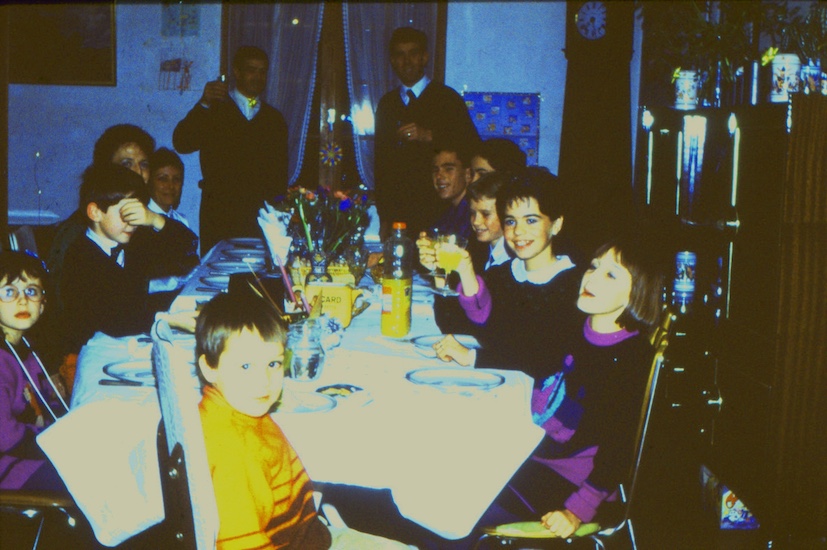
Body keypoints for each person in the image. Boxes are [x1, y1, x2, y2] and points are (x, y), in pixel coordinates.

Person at [195, 292, 413, 549]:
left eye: (273, 364)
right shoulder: (233, 451)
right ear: (209, 368)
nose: (263, 381)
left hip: (306, 537)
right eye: (246, 366)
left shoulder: (233, 410)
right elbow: (241, 543)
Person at [481, 236, 665, 539]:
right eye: (593, 266)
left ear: (637, 294)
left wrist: (577, 510)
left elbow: (619, 450)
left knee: (461, 500)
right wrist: (474, 357)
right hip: (533, 454)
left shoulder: (632, 360)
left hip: (573, 485)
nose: (591, 277)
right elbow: (526, 357)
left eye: (610, 274)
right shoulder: (574, 327)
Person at [433, 168, 582, 380]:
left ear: (556, 225)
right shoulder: (502, 274)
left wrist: (472, 357)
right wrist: (460, 271)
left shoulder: (572, 283)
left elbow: (543, 359)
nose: (518, 231)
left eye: (531, 220)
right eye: (511, 221)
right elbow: (473, 326)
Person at [59, 164, 198, 360]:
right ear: (95, 212)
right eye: (125, 213)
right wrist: (168, 319)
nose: (132, 222)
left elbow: (187, 246)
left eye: (136, 213)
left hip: (128, 342)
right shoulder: (80, 257)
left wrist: (154, 219)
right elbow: (116, 319)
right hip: (91, 354)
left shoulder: (131, 241)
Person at [173, 45, 289, 253]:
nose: (257, 77)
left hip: (260, 216)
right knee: (217, 265)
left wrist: (279, 213)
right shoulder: (215, 110)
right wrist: (204, 104)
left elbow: (280, 174)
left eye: (262, 71)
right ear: (237, 72)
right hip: (220, 212)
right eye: (251, 70)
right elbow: (182, 143)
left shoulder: (274, 119)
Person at [374, 27, 479, 239]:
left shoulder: (447, 99)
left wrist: (430, 136)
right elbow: (381, 166)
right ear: (392, 61)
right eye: (400, 55)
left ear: (424, 57)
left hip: (440, 212)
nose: (407, 61)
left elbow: (471, 147)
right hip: (399, 216)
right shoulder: (387, 105)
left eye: (413, 53)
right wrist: (384, 217)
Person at [0, 251, 68, 491]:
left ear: (43, 305)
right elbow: (5, 436)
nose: (22, 301)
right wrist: (57, 443)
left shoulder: (27, 348)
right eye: (9, 292)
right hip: (9, 467)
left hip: (30, 450)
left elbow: (45, 400)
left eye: (31, 291)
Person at [429, 146, 473, 239]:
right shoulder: (446, 212)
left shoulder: (473, 213)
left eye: (448, 169)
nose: (439, 176)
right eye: (435, 170)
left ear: (467, 174)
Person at [147, 147, 190, 228]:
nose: (171, 186)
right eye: (163, 179)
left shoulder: (182, 221)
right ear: (150, 181)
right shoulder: (141, 219)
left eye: (176, 179)